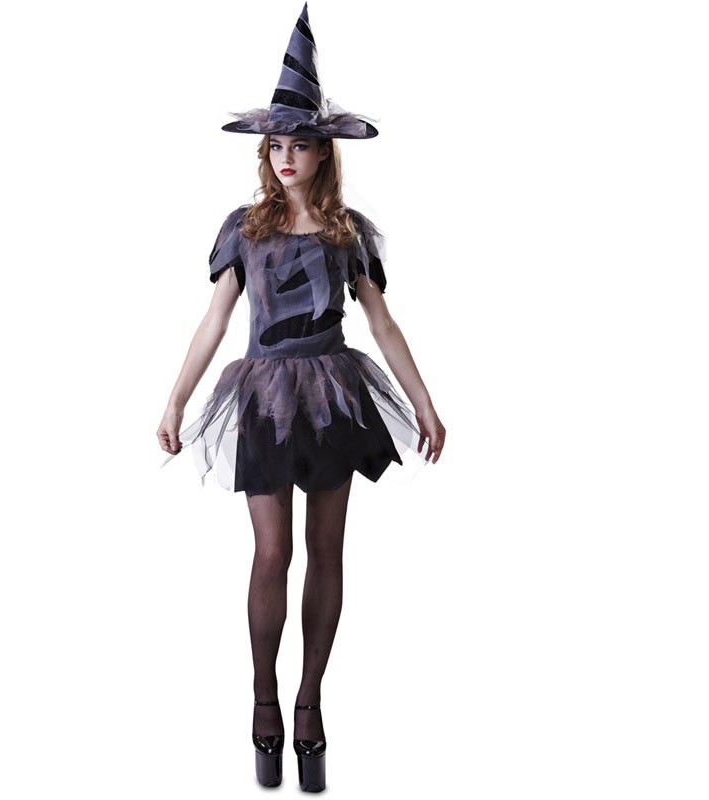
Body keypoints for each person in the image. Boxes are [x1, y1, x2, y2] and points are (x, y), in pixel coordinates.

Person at [157, 3, 445, 792]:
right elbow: (214, 321)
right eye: (277, 145)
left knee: (327, 549)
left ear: (324, 153)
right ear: (268, 153)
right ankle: (263, 696)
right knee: (271, 552)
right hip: (262, 396)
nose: (287, 157)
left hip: (331, 395)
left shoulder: (350, 232)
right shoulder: (244, 229)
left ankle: (310, 700)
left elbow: (382, 323)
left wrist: (424, 402)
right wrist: (175, 401)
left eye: (301, 145)